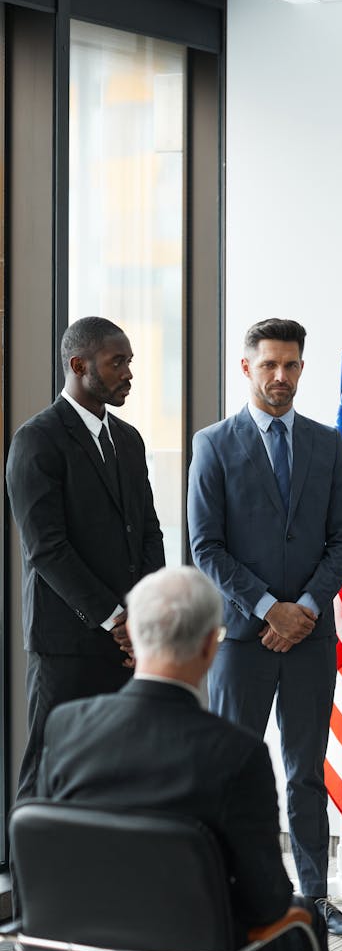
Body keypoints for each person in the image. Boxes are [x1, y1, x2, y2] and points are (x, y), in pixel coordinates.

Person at [36, 566, 330, 951]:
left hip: (80, 949)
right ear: (211, 646)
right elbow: (267, 902)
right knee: (304, 921)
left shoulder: (65, 728)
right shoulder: (237, 755)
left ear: (135, 636)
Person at [187, 317, 342, 938]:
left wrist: (306, 608)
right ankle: (230, 898)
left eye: (290, 366)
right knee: (232, 770)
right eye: (269, 366)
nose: (281, 377)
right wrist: (269, 609)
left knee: (305, 771)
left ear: (301, 368)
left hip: (309, 637)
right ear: (246, 368)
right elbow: (206, 547)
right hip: (242, 640)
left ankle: (312, 900)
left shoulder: (327, 445)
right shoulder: (212, 445)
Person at [6, 315, 165, 803]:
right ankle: (34, 883)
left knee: (120, 776)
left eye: (130, 362)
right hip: (68, 646)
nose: (129, 373)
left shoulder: (131, 441)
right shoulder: (37, 440)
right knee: (48, 775)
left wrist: (143, 617)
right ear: (78, 365)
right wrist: (116, 619)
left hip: (128, 644)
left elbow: (149, 534)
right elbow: (46, 549)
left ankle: (106, 880)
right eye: (117, 362)